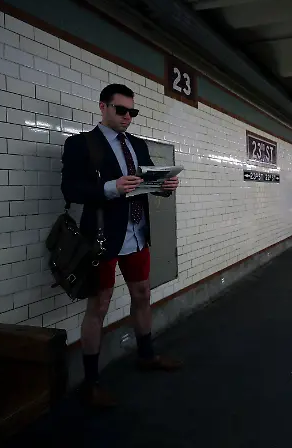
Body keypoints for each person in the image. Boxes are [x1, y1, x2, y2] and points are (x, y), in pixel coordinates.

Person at [61, 83, 181, 408]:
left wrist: (164, 187)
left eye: (132, 112)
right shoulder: (81, 144)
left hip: (138, 233)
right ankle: (91, 381)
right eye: (121, 110)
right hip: (102, 238)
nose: (128, 117)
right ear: (103, 107)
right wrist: (110, 188)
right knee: (99, 306)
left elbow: (145, 184)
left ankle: (146, 355)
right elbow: (70, 189)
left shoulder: (138, 146)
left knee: (143, 294)